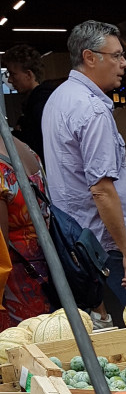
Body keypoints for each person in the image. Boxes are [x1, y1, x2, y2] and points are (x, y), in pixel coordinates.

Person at [42, 19, 126, 331]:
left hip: (73, 238)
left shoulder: (59, 99)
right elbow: (102, 190)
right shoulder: (92, 111)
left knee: (95, 327)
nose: (125, 63)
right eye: (117, 55)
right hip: (106, 243)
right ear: (91, 57)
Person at [0, 135, 52, 329]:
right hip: (43, 265)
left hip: (15, 280)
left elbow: (1, 246)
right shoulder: (24, 148)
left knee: (22, 345)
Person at [4, 44, 57, 164]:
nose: (10, 80)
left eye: (13, 74)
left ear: (28, 74)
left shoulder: (43, 106)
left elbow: (38, 145)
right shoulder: (31, 103)